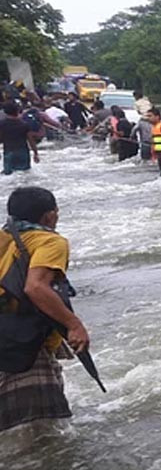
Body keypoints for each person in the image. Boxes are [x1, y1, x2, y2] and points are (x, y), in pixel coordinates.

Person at [0, 187, 90, 433]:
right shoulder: (50, 240)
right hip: (19, 341)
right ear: (49, 216)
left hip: (8, 338)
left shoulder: (5, 237)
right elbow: (36, 287)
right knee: (38, 431)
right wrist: (74, 325)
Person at [1, 103, 40, 175]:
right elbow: (31, 140)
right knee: (24, 174)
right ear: (17, 111)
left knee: (8, 175)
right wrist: (35, 153)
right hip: (23, 153)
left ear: (5, 112)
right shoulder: (24, 124)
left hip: (9, 152)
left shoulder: (2, 124)